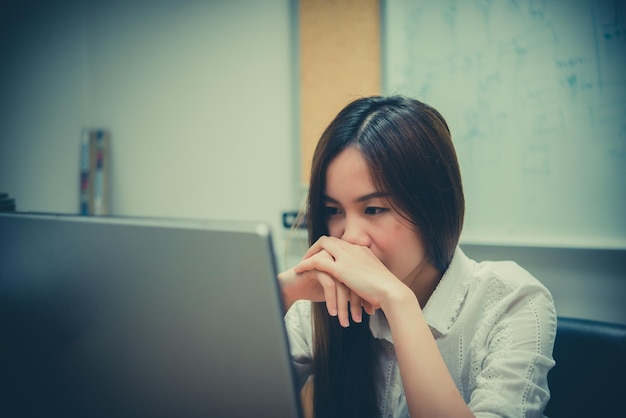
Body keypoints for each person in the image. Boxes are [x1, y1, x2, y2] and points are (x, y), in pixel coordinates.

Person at [278, 95, 557, 418]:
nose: (349, 237)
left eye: (373, 209)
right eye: (333, 210)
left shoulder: (512, 299)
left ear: (432, 208)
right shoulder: (323, 300)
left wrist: (399, 303)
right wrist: (282, 291)